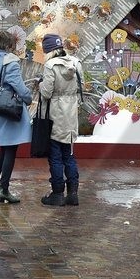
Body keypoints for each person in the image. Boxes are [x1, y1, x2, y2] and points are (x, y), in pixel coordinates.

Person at [0, 29, 31, 203]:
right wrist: (29, 97)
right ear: (9, 45)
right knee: (10, 149)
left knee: (3, 150)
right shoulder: (10, 63)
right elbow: (19, 87)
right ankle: (4, 188)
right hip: (10, 110)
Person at [35, 33, 83, 207]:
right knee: (69, 155)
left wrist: (40, 84)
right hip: (71, 115)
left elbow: (46, 92)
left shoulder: (50, 65)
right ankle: (73, 194)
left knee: (55, 156)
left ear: (48, 50)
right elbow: (80, 87)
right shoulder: (76, 63)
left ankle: (57, 194)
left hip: (55, 115)